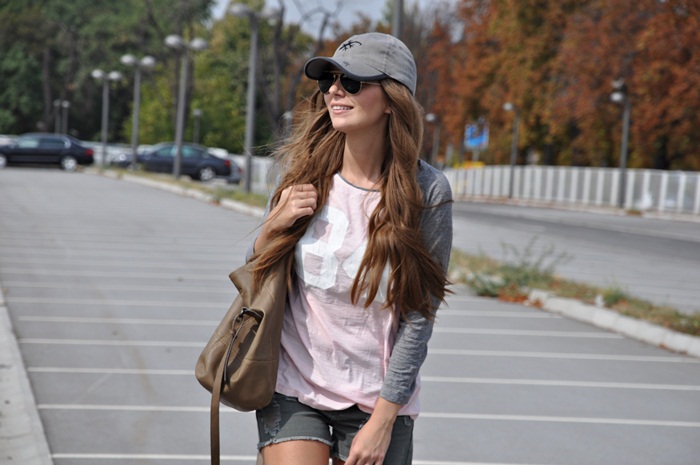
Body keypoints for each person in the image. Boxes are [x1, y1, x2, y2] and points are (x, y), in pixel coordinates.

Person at [246, 32, 453, 465]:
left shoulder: (426, 191)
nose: (335, 91)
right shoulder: (304, 174)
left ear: (392, 99)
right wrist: (272, 228)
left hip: (377, 399)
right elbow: (258, 273)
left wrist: (384, 419)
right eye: (329, 80)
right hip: (293, 384)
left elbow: (419, 316)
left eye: (353, 82)